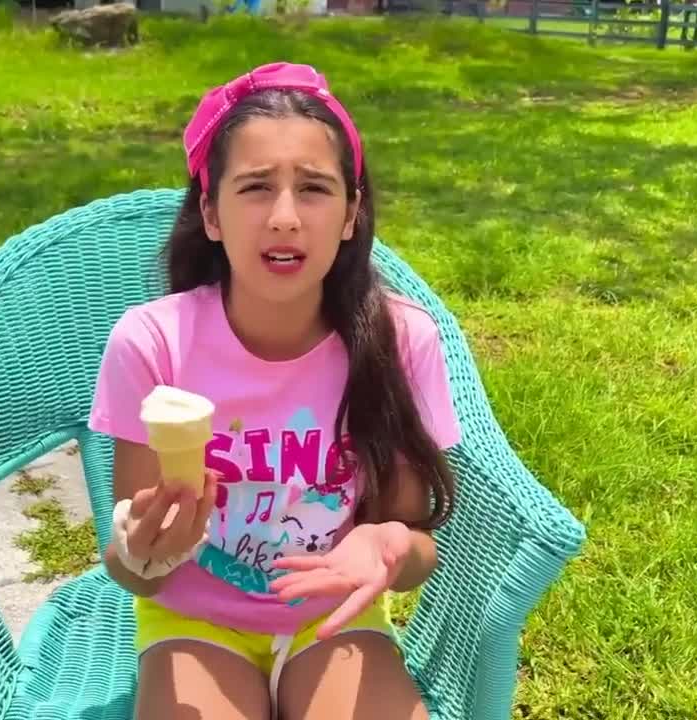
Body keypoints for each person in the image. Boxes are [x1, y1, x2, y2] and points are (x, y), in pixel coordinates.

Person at [87, 61, 462, 720]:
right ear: (211, 212)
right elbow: (131, 564)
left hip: (334, 619)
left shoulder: (401, 341)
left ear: (351, 214)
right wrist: (142, 554)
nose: (285, 217)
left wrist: (390, 546)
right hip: (194, 621)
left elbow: (413, 543)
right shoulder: (153, 343)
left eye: (314, 188)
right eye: (256, 187)